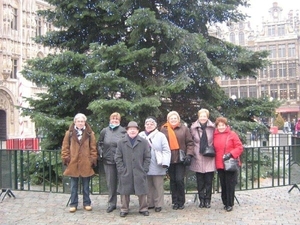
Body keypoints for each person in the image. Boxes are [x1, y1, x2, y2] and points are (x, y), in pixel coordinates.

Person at [61, 113, 98, 213]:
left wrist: (92, 160)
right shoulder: (69, 133)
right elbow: (65, 148)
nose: (80, 123)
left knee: (86, 186)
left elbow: (93, 149)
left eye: (82, 121)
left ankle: (87, 203)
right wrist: (66, 159)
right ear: (75, 122)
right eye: (78, 121)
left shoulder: (90, 134)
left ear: (85, 122)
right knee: (74, 186)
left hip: (86, 163)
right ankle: (73, 204)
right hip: (73, 163)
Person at [115, 121, 151, 217]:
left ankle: (143, 208)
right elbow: (117, 157)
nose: (132, 131)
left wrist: (145, 169)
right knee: (124, 191)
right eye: (130, 129)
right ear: (127, 130)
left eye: (134, 129)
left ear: (138, 130)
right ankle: (124, 209)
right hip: (126, 170)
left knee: (142, 190)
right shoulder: (121, 142)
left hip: (140, 170)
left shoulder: (143, 142)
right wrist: (121, 170)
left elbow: (147, 157)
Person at [160, 111, 194, 210]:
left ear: (178, 119)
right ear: (168, 119)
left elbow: (190, 143)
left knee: (179, 180)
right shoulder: (164, 129)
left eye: (175, 118)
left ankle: (181, 201)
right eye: (171, 118)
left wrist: (189, 155)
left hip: (180, 158)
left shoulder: (184, 128)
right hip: (169, 158)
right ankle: (175, 201)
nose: (173, 120)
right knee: (173, 180)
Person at [139, 116, 171, 213]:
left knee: (158, 186)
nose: (149, 125)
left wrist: (165, 162)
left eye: (151, 124)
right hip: (145, 164)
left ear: (155, 125)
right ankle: (149, 203)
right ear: (145, 125)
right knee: (148, 185)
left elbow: (166, 150)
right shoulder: (141, 135)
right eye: (147, 124)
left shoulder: (160, 136)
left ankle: (158, 204)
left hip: (157, 163)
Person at [97, 112, 126, 213]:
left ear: (119, 121)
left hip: (120, 161)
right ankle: (111, 203)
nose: (114, 121)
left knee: (122, 183)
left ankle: (124, 204)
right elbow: (100, 143)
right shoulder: (105, 131)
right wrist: (101, 153)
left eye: (116, 119)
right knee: (111, 183)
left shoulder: (123, 131)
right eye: (112, 119)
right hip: (108, 161)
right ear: (110, 120)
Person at [213, 117, 243, 212]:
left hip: (230, 162)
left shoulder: (232, 134)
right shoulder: (215, 135)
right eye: (219, 125)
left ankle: (229, 203)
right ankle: (225, 201)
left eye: (223, 125)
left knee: (230, 184)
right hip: (220, 163)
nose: (221, 127)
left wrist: (231, 154)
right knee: (223, 184)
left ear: (226, 126)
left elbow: (239, 147)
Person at [189, 109, 215, 208]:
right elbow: (190, 141)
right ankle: (201, 200)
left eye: (205, 116)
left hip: (209, 156)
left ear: (207, 117)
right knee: (200, 181)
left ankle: (208, 200)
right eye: (201, 116)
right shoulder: (193, 128)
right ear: (198, 117)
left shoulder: (213, 128)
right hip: (198, 156)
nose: (203, 118)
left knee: (209, 181)